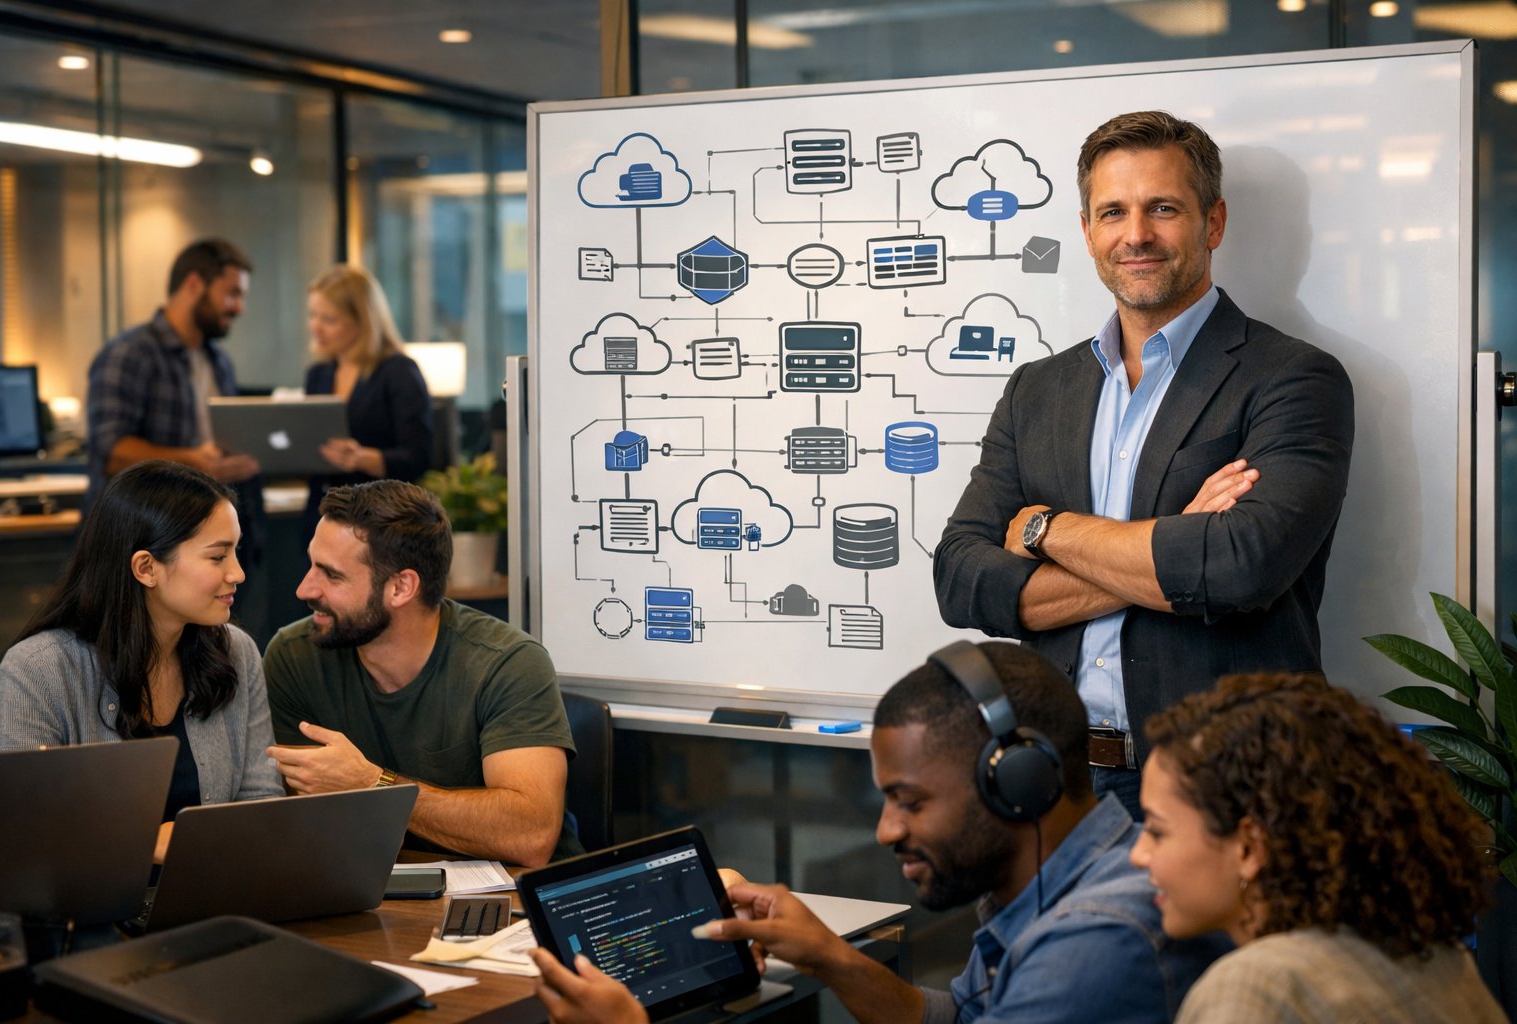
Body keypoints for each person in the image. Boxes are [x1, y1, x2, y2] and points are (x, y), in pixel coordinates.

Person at [932, 110, 1354, 814]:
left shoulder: (1292, 378)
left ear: (1212, 223)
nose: (1136, 235)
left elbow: (1238, 566)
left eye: (1163, 208)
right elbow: (962, 579)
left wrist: (1043, 529)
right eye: (1113, 212)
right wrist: (1175, 540)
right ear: (1088, 229)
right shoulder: (1038, 389)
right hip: (1054, 782)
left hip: (1227, 790)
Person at [531, 640, 1227, 1024]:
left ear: (1017, 784)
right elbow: (958, 1019)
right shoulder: (1052, 884)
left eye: (911, 802)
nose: (887, 829)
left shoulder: (1097, 943)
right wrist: (829, 955)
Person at [1132, 673, 1505, 1023]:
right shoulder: (1438, 957)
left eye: (1156, 831)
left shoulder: (1256, 990)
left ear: (1249, 848)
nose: (1138, 854)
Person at [262, 479, 581, 865]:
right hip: (374, 893)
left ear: (401, 587)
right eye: (310, 564)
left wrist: (371, 784)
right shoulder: (294, 656)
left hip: (515, 901)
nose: (304, 589)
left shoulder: (507, 663)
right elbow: (305, 821)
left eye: (331, 575)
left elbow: (530, 835)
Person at [0, 461, 282, 861]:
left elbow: (260, 803)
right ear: (146, 568)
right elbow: (23, 841)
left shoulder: (236, 652)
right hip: (92, 918)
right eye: (217, 557)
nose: (238, 573)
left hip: (216, 903)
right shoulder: (36, 671)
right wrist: (144, 842)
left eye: (236, 552)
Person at [85, 239, 261, 511]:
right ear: (193, 285)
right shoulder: (128, 353)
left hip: (200, 526)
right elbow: (111, 454)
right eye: (232, 294)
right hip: (141, 531)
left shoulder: (220, 362)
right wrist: (193, 463)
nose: (240, 308)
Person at [301, 264, 433, 533]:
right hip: (323, 516)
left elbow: (419, 455)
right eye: (313, 315)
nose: (316, 327)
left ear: (363, 321)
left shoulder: (399, 372)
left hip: (379, 522)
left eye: (329, 319)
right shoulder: (318, 375)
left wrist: (364, 458)